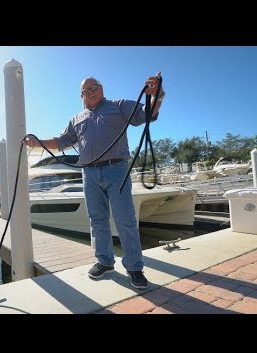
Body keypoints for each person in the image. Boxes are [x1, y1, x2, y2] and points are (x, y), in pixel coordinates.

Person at [23, 72, 164, 289]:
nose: (90, 92)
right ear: (81, 96)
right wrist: (37, 142)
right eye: (85, 91)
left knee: (125, 219)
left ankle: (134, 268)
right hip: (88, 173)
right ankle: (105, 262)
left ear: (102, 88)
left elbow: (147, 115)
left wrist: (158, 96)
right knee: (97, 220)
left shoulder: (119, 106)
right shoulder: (77, 119)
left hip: (116, 170)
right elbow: (62, 141)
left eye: (94, 87)